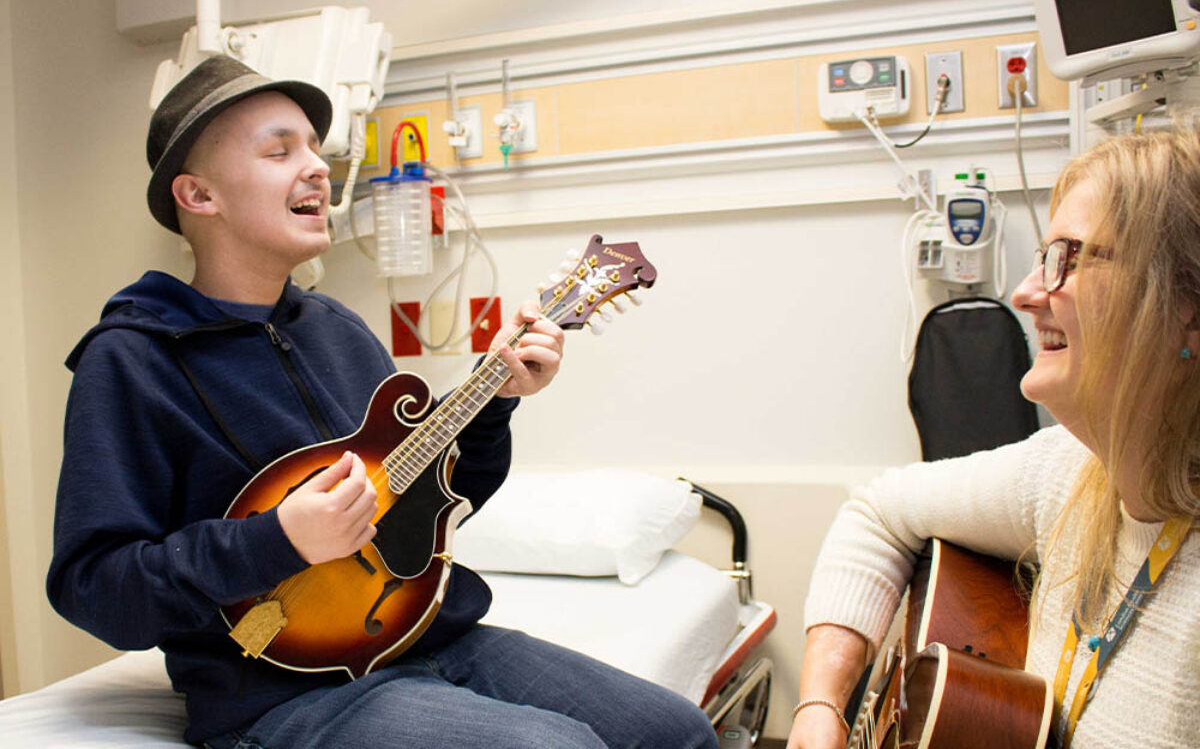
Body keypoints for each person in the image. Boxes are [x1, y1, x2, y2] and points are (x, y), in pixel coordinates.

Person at [46, 56, 717, 749]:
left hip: (432, 633)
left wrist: (495, 400)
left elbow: (425, 508)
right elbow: (94, 585)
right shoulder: (132, 359)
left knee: (674, 731)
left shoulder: (337, 330)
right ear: (198, 196)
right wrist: (276, 540)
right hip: (283, 691)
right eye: (281, 150)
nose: (318, 169)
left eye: (315, 148)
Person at [788, 128, 1200, 749]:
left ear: (1185, 305)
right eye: (1041, 258)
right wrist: (820, 710)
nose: (1026, 292)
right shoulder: (1067, 472)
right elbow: (878, 511)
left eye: (1067, 258)